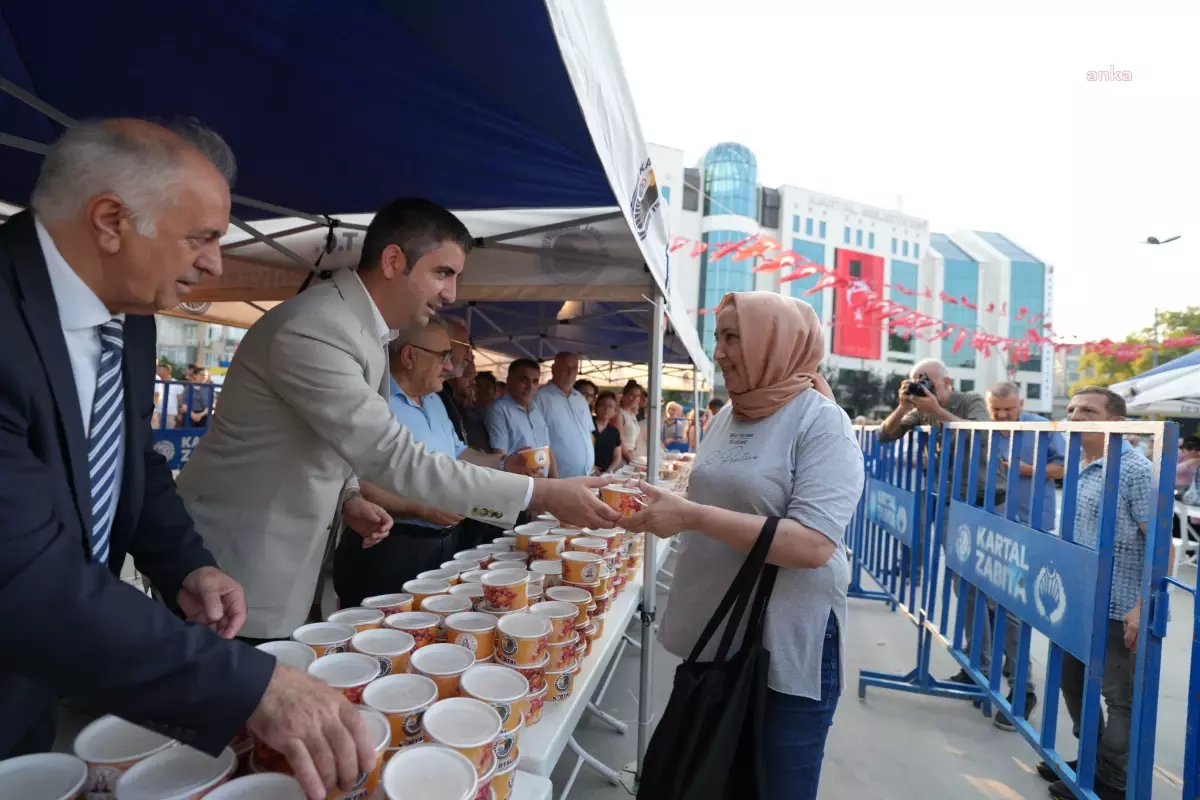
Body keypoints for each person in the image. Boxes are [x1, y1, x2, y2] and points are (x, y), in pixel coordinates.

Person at [0, 119, 376, 799]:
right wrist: (252, 687)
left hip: (32, 692)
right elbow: (22, 572)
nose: (214, 265)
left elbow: (131, 457)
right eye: (201, 238)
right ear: (110, 220)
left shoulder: (132, 319)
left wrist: (184, 563)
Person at [177, 198, 617, 642]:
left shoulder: (358, 329)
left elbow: (326, 440)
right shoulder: (319, 327)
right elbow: (390, 454)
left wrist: (348, 497)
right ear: (393, 261)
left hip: (290, 566)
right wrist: (540, 493)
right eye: (443, 273)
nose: (451, 294)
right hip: (235, 567)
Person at [625, 291, 862, 800]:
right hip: (717, 636)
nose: (721, 351)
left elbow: (814, 544)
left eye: (734, 336)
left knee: (774, 784)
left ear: (774, 342)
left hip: (785, 646)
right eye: (719, 337)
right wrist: (669, 502)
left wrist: (691, 516)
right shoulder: (728, 415)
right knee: (709, 777)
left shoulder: (822, 423)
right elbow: (719, 495)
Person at [333, 318, 528, 606]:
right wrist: (421, 509)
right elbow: (352, 480)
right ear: (409, 356)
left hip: (442, 544)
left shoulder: (435, 400)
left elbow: (459, 453)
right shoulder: (373, 400)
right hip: (387, 545)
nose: (450, 366)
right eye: (443, 356)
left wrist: (504, 464)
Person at [1039, 387, 1166, 800]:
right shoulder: (1082, 464)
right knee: (1072, 683)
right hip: (1080, 600)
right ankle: (1093, 759)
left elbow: (1158, 543)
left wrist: (1140, 604)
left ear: (1117, 423)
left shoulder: (1134, 471)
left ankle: (1111, 781)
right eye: (1071, 409)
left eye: (1088, 411)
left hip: (1118, 603)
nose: (1075, 417)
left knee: (1117, 696)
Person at [879, 358, 1004, 683]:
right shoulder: (921, 408)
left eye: (928, 381)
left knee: (970, 584)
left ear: (946, 382)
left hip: (978, 498)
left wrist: (935, 409)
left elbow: (980, 433)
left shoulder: (970, 399)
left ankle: (984, 666)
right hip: (946, 496)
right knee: (962, 582)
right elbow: (884, 435)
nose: (924, 387)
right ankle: (979, 662)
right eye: (917, 381)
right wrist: (903, 405)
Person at [984, 381, 1067, 731]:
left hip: (1030, 527)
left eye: (1009, 408)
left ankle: (1023, 688)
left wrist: (1028, 471)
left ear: (1022, 402)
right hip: (990, 524)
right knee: (988, 602)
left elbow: (1064, 468)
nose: (1003, 415)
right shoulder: (986, 430)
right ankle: (992, 666)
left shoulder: (1041, 429)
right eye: (996, 409)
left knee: (1014, 608)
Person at [486, 358, 558, 477]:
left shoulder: (535, 409)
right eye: (524, 380)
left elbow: (548, 449)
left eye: (535, 381)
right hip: (520, 487)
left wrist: (556, 483)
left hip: (543, 486)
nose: (530, 387)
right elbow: (499, 456)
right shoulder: (499, 410)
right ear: (509, 381)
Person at [535, 353, 595, 478]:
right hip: (559, 479)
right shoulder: (540, 398)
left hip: (585, 476)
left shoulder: (580, 399)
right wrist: (553, 476)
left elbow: (588, 434)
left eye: (574, 368)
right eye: (565, 367)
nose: (570, 372)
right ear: (553, 369)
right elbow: (541, 441)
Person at [592, 391, 624, 473]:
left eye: (610, 406)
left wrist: (609, 471)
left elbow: (617, 457)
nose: (606, 409)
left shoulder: (614, 432)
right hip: (586, 472)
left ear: (614, 412)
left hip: (605, 475)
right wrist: (591, 467)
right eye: (603, 405)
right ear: (596, 407)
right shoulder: (588, 425)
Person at [618, 381, 643, 463]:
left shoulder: (632, 415)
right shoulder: (620, 413)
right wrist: (630, 458)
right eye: (632, 395)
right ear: (624, 396)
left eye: (638, 396)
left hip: (633, 455)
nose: (635, 398)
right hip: (623, 458)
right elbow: (619, 440)